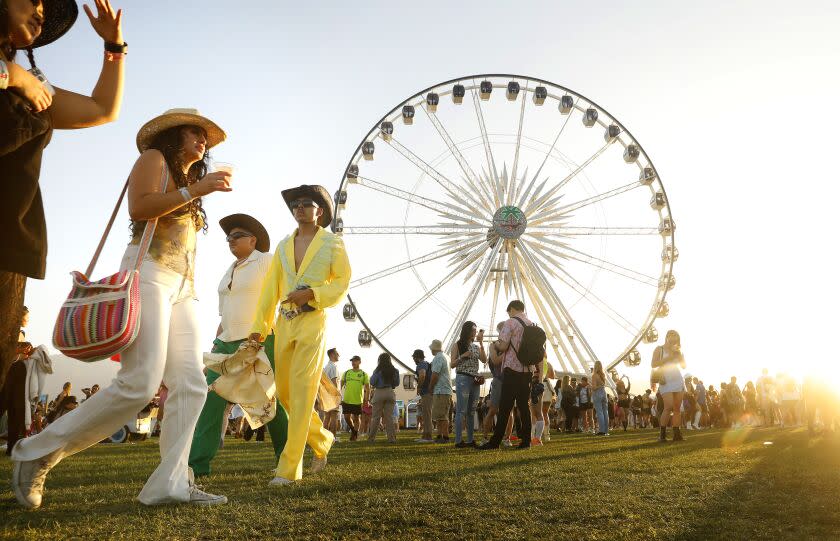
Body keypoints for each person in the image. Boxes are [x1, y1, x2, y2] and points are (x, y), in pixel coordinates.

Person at [11, 108, 232, 509]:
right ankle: (37, 451)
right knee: (140, 383)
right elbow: (139, 208)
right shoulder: (154, 160)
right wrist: (196, 192)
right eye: (194, 134)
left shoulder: (190, 178)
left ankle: (172, 483)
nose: (202, 141)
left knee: (192, 384)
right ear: (173, 136)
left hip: (184, 287)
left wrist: (195, 189)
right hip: (147, 273)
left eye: (205, 137)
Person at [0, 0, 126, 388]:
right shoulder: (20, 78)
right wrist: (12, 75)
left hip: (10, 241)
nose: (40, 10)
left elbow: (102, 109)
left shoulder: (36, 87)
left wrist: (114, 48)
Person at [249, 184, 351, 485]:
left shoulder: (333, 244)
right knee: (284, 393)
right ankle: (321, 439)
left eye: (307, 203)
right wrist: (258, 327)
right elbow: (270, 289)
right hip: (284, 323)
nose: (300, 208)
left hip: (312, 323)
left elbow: (342, 283)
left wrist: (313, 293)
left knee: (304, 392)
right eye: (296, 204)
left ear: (320, 211)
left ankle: (289, 468)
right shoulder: (282, 246)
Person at [189, 213, 288, 477]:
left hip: (260, 339)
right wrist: (217, 339)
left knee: (267, 400)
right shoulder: (229, 270)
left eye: (236, 236)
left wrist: (272, 329)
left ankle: (287, 459)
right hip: (226, 341)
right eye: (228, 238)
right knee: (211, 397)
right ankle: (197, 466)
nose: (230, 241)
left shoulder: (266, 261)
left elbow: (284, 291)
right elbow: (225, 311)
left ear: (252, 240)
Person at [479, 300, 536, 450]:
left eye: (508, 311)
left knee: (505, 407)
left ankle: (495, 441)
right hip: (528, 370)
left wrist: (495, 345)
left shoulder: (510, 323)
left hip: (512, 369)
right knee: (524, 407)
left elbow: (503, 346)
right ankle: (526, 441)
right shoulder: (531, 324)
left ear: (512, 309)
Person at [450, 321, 486, 448]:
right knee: (461, 410)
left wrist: (481, 343)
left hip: (475, 379)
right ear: (467, 330)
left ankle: (470, 439)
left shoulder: (476, 347)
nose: (475, 332)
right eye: (473, 330)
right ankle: (458, 440)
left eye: (476, 330)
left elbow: (484, 359)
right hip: (463, 378)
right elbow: (452, 364)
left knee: (471, 411)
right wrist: (463, 356)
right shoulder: (458, 345)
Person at [652, 330, 686, 442]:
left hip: (677, 379)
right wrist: (669, 357)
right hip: (665, 380)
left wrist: (681, 356)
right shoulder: (659, 349)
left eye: (676, 336)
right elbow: (653, 364)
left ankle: (677, 434)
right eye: (671, 335)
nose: (673, 337)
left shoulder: (678, 350)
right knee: (668, 406)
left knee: (677, 408)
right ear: (667, 337)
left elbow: (683, 366)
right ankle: (662, 435)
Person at [367, 353, 399, 443]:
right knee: (389, 417)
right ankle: (391, 438)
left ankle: (371, 438)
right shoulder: (395, 370)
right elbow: (396, 383)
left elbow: (372, 382)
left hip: (379, 393)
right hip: (390, 392)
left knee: (376, 417)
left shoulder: (377, 371)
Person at [341, 355, 369, 442]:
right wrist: (337, 396)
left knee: (356, 418)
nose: (353, 362)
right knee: (346, 417)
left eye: (355, 361)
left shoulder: (364, 374)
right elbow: (339, 386)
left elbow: (368, 388)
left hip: (358, 400)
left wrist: (366, 400)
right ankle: (354, 431)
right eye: (352, 361)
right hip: (346, 399)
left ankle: (354, 434)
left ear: (359, 362)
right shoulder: (346, 373)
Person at [428, 339, 451, 444]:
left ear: (433, 349)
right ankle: (440, 435)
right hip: (445, 390)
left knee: (441, 415)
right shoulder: (445, 357)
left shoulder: (438, 358)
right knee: (440, 414)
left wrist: (430, 386)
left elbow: (435, 374)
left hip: (441, 390)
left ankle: (444, 436)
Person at [412, 348, 434, 443]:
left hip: (426, 392)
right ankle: (425, 435)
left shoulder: (421, 364)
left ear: (417, 357)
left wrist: (419, 387)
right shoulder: (426, 363)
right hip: (429, 392)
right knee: (426, 414)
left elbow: (422, 375)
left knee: (427, 415)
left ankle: (428, 436)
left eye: (414, 358)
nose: (413, 360)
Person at [322, 348, 341, 442]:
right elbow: (334, 382)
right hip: (332, 394)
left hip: (326, 394)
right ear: (332, 354)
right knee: (334, 416)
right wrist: (337, 395)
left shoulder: (326, 366)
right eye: (337, 353)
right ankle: (333, 438)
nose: (339, 355)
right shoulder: (333, 367)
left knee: (327, 417)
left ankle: (324, 437)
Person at [591, 361, 610, 436]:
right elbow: (603, 385)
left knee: (599, 412)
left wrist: (591, 387)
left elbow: (594, 387)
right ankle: (606, 430)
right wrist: (601, 385)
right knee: (605, 412)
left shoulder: (594, 376)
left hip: (597, 393)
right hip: (604, 393)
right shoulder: (603, 375)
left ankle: (601, 430)